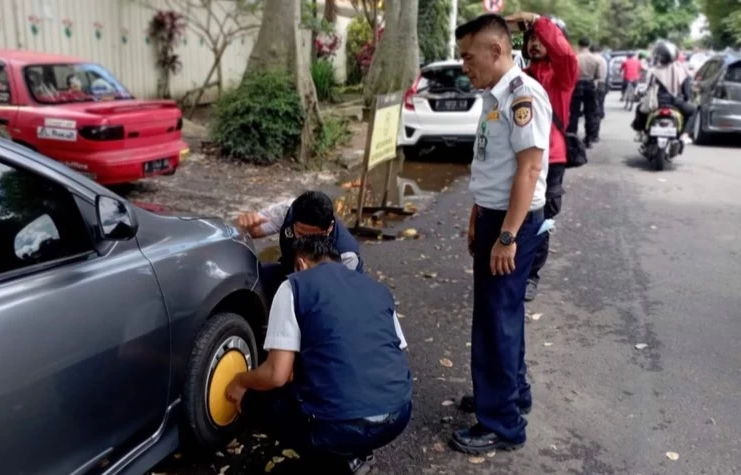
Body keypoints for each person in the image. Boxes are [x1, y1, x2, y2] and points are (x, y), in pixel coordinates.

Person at [225, 235, 412, 474]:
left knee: (259, 398)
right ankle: (356, 453)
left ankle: (333, 459)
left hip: (341, 425)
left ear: (300, 264)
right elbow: (394, 350)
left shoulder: (295, 285)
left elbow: (277, 375)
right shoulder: (376, 288)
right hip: (398, 414)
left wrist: (241, 380)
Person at [451, 13, 550, 455]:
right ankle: (509, 392)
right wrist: (479, 212)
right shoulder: (496, 95)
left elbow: (530, 167)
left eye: (469, 57)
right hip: (496, 215)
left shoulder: (520, 95)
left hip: (513, 222)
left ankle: (502, 423)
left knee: (496, 321)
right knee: (501, 315)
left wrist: (507, 235)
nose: (464, 66)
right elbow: (497, 163)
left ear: (496, 51)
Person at [504, 12, 577, 302]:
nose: (534, 44)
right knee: (513, 213)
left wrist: (538, 21)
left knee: (541, 218)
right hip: (520, 155)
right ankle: (511, 264)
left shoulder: (563, 76)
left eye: (540, 39)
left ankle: (531, 274)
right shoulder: (521, 76)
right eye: (530, 39)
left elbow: (565, 54)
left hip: (552, 158)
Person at [236, 190, 363, 301]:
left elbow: (339, 300)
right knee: (249, 276)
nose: (306, 241)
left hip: (330, 292)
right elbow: (256, 230)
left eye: (314, 236)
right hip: (290, 272)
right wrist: (247, 225)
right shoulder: (288, 210)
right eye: (301, 233)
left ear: (329, 228)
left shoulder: (347, 256)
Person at [631, 40, 695, 143]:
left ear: (658, 56)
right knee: (693, 111)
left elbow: (647, 88)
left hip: (656, 102)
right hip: (676, 103)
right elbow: (686, 92)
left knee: (640, 109)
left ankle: (639, 133)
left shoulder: (653, 71)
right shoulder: (682, 70)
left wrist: (641, 94)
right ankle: (685, 134)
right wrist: (686, 99)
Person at [569, 37, 605, 146]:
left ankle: (572, 136)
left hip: (576, 85)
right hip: (590, 84)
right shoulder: (595, 59)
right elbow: (598, 76)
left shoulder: (574, 57)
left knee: (573, 113)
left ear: (579, 45)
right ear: (588, 45)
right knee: (590, 113)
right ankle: (589, 138)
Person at [591, 44, 609, 120]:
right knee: (601, 100)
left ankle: (596, 114)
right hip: (603, 82)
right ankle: (601, 113)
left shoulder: (593, 58)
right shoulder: (604, 59)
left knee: (595, 100)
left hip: (595, 82)